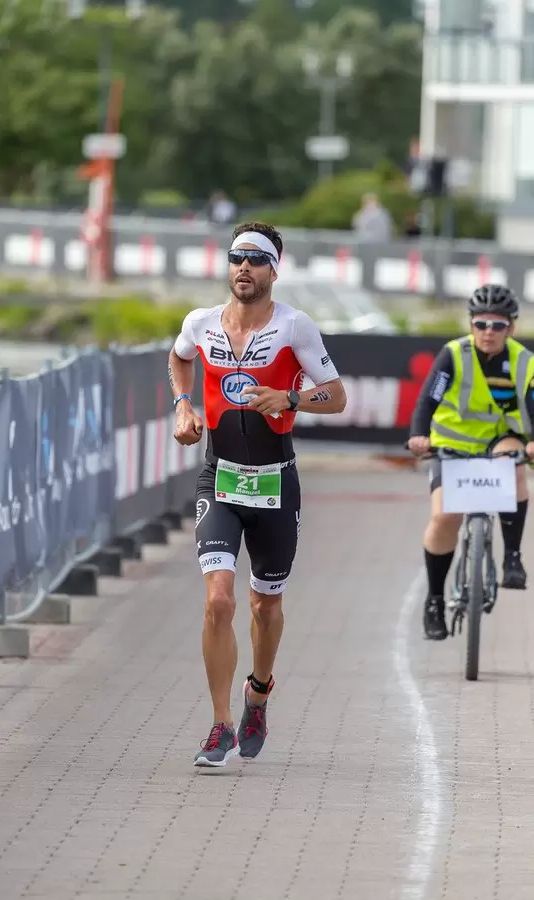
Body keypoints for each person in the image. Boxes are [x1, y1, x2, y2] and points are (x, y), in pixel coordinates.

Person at [168, 221, 347, 767]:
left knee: (265, 604)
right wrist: (183, 404)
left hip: (275, 479)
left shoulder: (295, 327)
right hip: (219, 477)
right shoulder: (200, 323)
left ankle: (258, 694)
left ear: (273, 270)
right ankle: (220, 726)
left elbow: (336, 397)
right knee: (218, 599)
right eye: (235, 257)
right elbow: (179, 358)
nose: (243, 267)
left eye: (255, 259)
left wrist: (288, 398)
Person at [408, 284, 534, 640]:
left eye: (497, 325)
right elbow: (426, 401)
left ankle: (512, 558)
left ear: (511, 327)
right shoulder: (453, 354)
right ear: (471, 324)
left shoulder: (524, 361)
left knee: (514, 465)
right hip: (452, 445)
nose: (488, 332)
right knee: (445, 516)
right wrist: (419, 435)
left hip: (499, 439)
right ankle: (434, 600)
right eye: (481, 324)